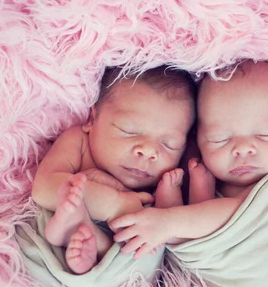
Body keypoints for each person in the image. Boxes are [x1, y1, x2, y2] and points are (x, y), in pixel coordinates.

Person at [110, 61, 268, 257]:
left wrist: (168, 222)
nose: (242, 150)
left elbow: (230, 214)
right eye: (220, 139)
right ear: (198, 141)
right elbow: (196, 232)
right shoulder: (200, 169)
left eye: (265, 134)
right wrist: (174, 209)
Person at [31, 66, 196, 274]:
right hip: (48, 246)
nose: (148, 151)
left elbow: (173, 238)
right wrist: (116, 204)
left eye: (169, 144)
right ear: (92, 120)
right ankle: (71, 228)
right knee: (62, 217)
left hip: (119, 268)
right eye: (129, 131)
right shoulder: (79, 144)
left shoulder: (166, 179)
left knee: (144, 250)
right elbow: (44, 187)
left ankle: (87, 240)